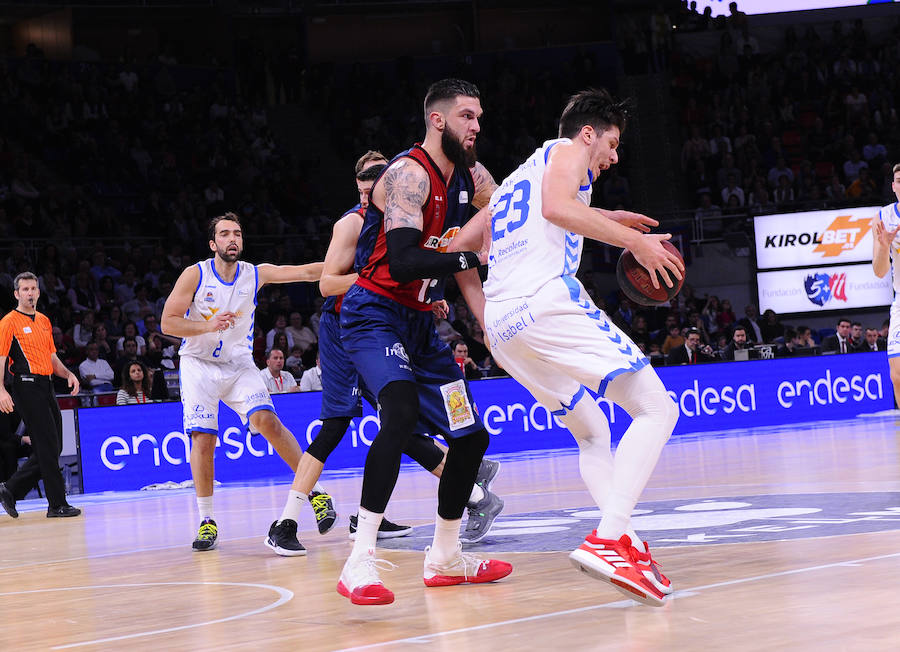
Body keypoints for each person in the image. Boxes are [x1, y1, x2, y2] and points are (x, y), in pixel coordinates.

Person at [451, 88, 683, 606]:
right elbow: (557, 208)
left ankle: (626, 543)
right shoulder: (564, 153)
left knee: (594, 430)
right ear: (586, 133)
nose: (613, 156)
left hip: (505, 328)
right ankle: (610, 538)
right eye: (612, 143)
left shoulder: (514, 179)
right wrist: (634, 242)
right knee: (656, 408)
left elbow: (461, 246)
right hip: (545, 304)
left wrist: (483, 314)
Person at [337, 80, 511, 605]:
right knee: (401, 412)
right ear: (438, 120)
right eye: (465, 116)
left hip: (420, 326)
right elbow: (407, 260)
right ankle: (359, 559)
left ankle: (446, 557)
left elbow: (511, 211)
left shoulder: (473, 174)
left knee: (470, 435)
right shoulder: (409, 174)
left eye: (479, 115)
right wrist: (470, 258)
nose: (476, 125)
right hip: (374, 314)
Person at [285, 151, 502, 558]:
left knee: (470, 436)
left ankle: (453, 539)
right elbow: (357, 277)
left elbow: (445, 256)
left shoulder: (443, 200)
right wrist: (461, 261)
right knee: (382, 418)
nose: (378, 194)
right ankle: (350, 546)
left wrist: (449, 302)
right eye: (370, 188)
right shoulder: (355, 219)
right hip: (367, 320)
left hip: (417, 323)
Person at [160, 213, 331, 554]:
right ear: (213, 244)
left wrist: (360, 267)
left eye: (236, 233)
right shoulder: (195, 274)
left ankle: (313, 492)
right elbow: (168, 322)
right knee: (204, 439)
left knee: (267, 421)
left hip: (238, 364)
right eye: (224, 234)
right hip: (198, 364)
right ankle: (207, 520)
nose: (232, 238)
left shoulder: (256, 273)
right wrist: (206, 327)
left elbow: (309, 272)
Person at [0, 272, 82, 519]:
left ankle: (10, 489)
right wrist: (1, 390)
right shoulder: (8, 322)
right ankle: (57, 504)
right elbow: (1, 360)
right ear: (16, 294)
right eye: (25, 289)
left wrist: (68, 374)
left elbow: (51, 358)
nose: (30, 293)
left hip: (46, 386)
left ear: (38, 291)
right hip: (25, 386)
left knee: (53, 447)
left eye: (33, 288)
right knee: (47, 445)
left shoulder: (44, 321)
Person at [872, 163, 900, 407]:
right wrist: (883, 246)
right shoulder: (883, 217)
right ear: (893, 186)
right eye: (899, 180)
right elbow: (879, 271)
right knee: (897, 375)